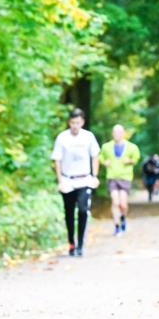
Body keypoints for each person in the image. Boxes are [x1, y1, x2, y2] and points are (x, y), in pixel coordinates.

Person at [51, 108, 100, 256]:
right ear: (69, 122)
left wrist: (95, 175)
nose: (75, 126)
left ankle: (81, 244)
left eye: (77, 123)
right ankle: (71, 242)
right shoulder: (62, 138)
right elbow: (57, 160)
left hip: (84, 179)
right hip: (67, 180)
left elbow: (95, 156)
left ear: (82, 122)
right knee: (69, 212)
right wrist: (60, 180)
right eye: (72, 123)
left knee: (83, 210)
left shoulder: (88, 137)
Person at [99, 124, 141, 236]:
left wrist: (130, 161)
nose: (117, 134)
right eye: (115, 132)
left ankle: (123, 219)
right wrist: (104, 162)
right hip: (112, 177)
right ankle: (117, 227)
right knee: (115, 202)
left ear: (123, 133)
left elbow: (136, 158)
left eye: (119, 132)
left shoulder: (132, 147)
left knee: (123, 204)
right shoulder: (106, 147)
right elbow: (100, 157)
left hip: (125, 177)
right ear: (112, 133)